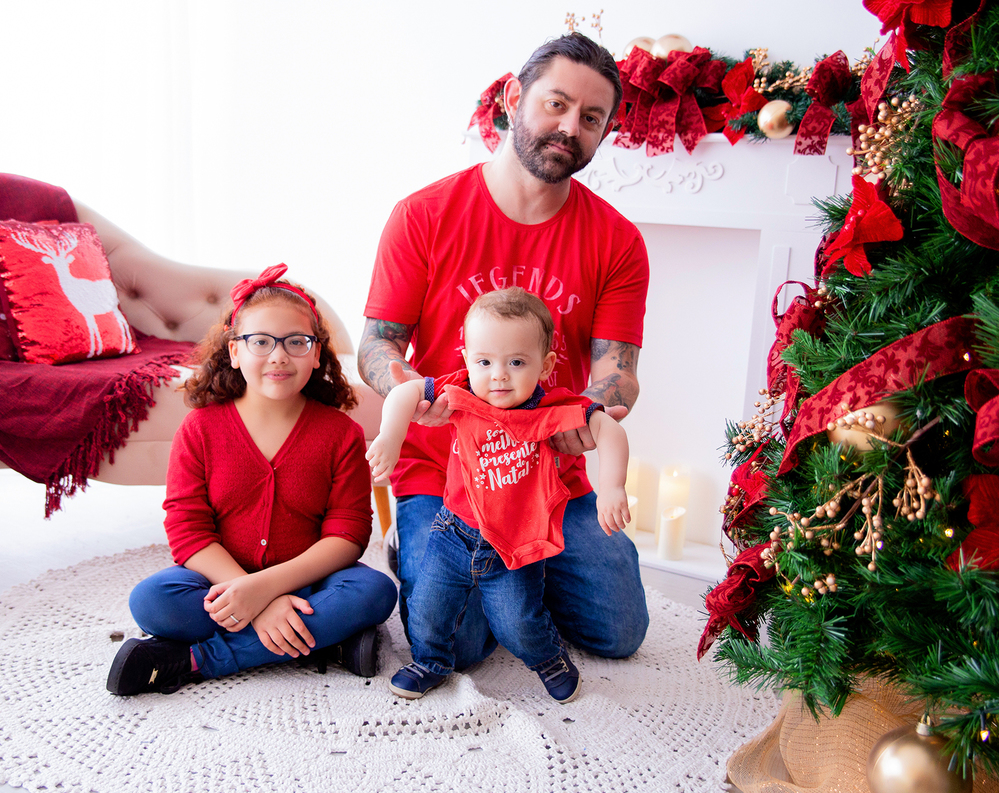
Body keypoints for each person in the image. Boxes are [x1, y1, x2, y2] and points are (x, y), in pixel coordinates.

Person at [359, 32, 650, 669]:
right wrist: (417, 394)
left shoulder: (618, 241)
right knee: (459, 651)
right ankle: (434, 553)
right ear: (514, 97)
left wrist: (591, 421)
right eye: (556, 104)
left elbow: (618, 375)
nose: (570, 127)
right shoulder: (422, 216)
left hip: (552, 472)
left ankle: (522, 572)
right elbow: (377, 346)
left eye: (591, 118)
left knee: (617, 633)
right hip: (444, 471)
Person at [108, 264, 398, 696]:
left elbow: (348, 534)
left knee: (373, 592)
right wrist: (250, 597)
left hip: (310, 582)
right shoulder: (200, 430)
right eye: (260, 342)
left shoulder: (341, 434)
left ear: (317, 353)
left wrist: (263, 591)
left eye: (296, 342)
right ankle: (327, 645)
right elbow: (187, 529)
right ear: (234, 351)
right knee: (152, 601)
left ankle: (191, 660)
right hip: (220, 582)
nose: (279, 356)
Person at [366, 289, 631, 703]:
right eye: (484, 362)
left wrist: (612, 487)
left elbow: (608, 429)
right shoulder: (462, 392)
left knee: (517, 621)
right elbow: (405, 392)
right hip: (453, 530)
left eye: (517, 363)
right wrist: (391, 434)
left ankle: (549, 660)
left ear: (545, 366)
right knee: (429, 607)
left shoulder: (548, 408)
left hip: (515, 540)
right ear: (467, 357)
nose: (499, 375)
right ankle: (429, 661)